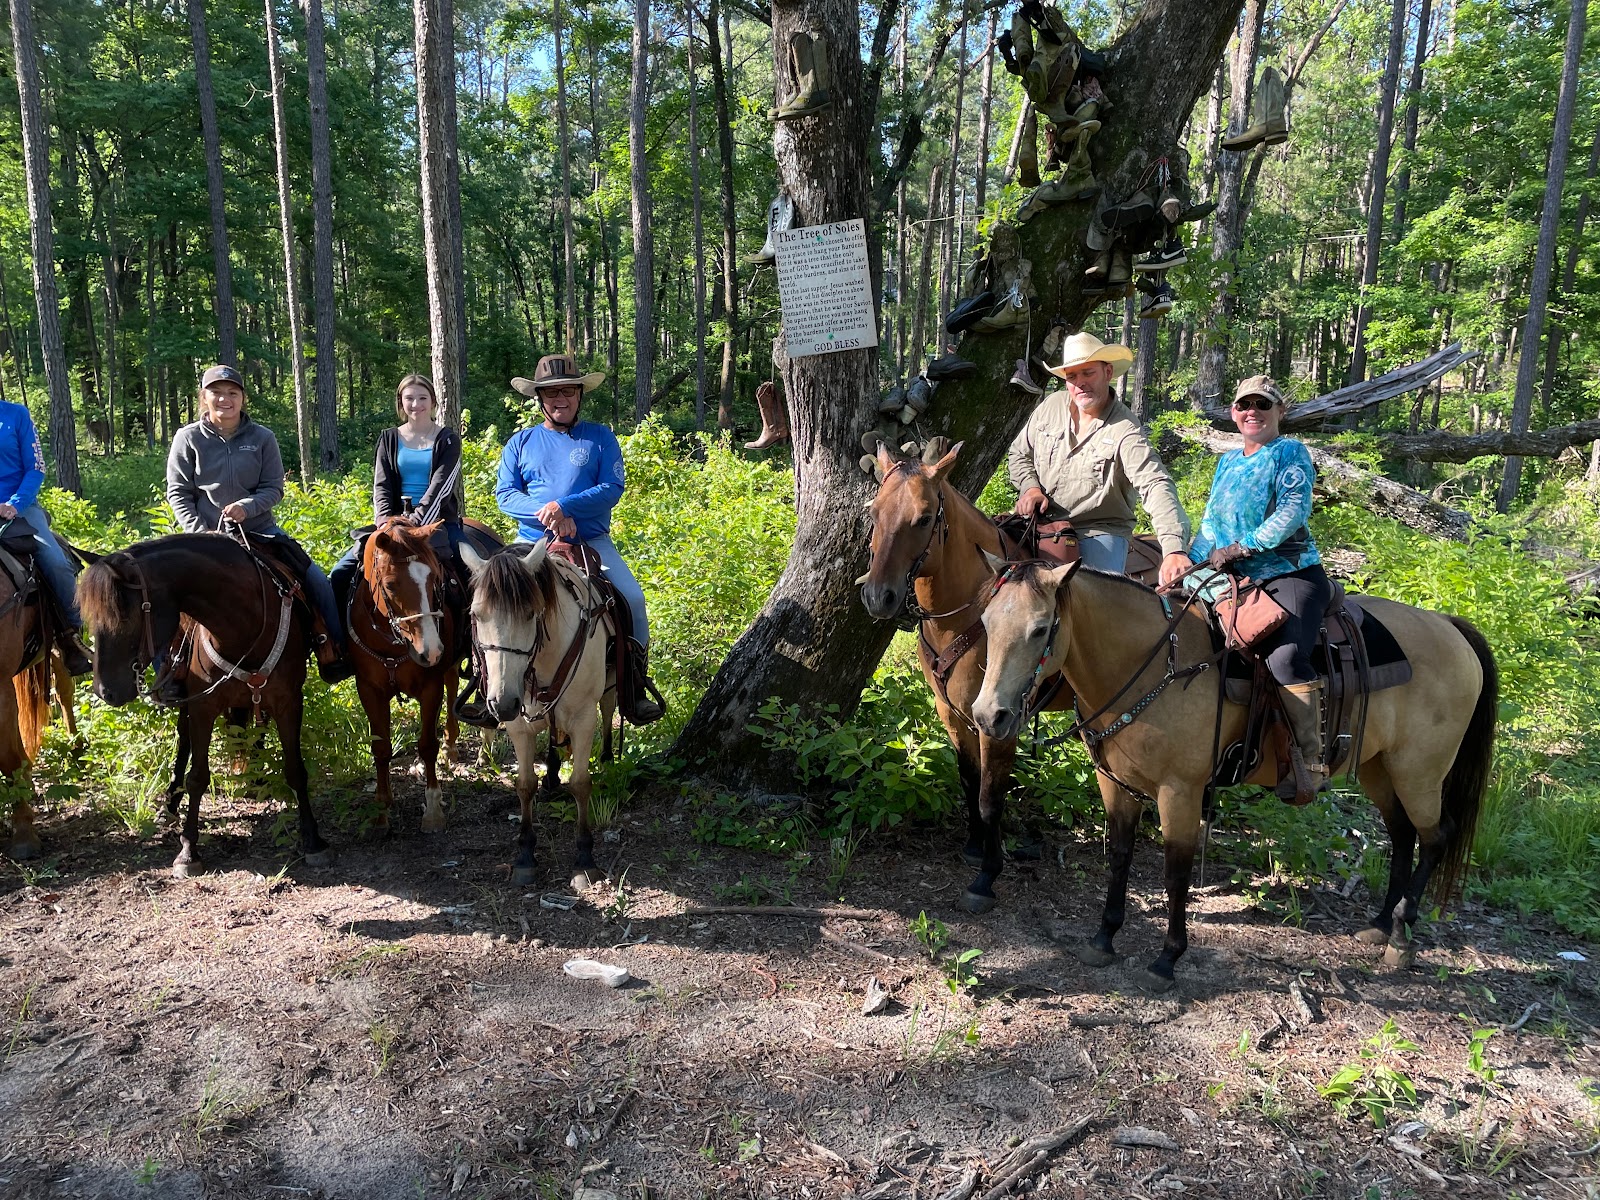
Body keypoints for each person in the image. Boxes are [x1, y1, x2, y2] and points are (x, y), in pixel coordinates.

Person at [483, 354, 663, 724]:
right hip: (532, 544)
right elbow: (505, 494)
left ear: (580, 394)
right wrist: (546, 513)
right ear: (540, 398)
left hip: (591, 542)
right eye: (551, 393)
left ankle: (634, 687)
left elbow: (612, 488)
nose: (559, 398)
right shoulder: (520, 442)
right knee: (490, 603)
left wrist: (564, 507)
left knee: (633, 599)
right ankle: (485, 686)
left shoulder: (600, 437)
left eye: (567, 390)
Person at [1188, 374, 1332, 803]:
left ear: (1279, 412)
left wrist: (1243, 546)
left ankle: (1311, 760)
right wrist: (1191, 560)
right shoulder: (1228, 461)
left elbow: (1293, 510)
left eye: (1262, 405)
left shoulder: (1289, 451)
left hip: (1288, 573)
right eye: (1243, 405)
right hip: (1232, 576)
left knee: (1285, 658)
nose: (1252, 412)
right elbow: (1211, 522)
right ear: (1233, 413)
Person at [166, 364, 349, 684]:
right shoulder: (188, 438)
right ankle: (170, 670)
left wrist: (246, 507)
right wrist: (200, 532)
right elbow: (179, 493)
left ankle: (332, 650)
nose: (225, 399)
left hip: (261, 530)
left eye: (232, 393)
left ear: (242, 399)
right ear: (203, 398)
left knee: (316, 580)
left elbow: (273, 488)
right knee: (162, 591)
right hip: (205, 537)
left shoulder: (262, 437)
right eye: (217, 393)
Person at [1007, 331, 1191, 582]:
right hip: (1038, 523)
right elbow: (1019, 453)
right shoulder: (1051, 407)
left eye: (1088, 373)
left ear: (1107, 372)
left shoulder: (1124, 429)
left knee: (1092, 601)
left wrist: (1174, 549)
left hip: (1096, 531)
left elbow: (1155, 483)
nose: (1080, 383)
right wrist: (1029, 488)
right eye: (1072, 376)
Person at [329, 374, 464, 619]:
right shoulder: (389, 438)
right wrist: (384, 520)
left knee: (468, 570)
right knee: (341, 572)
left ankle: (472, 639)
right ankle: (337, 645)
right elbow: (381, 485)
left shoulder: (448, 439)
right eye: (409, 398)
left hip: (436, 521)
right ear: (400, 403)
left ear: (433, 401)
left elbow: (440, 488)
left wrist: (415, 522)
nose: (416, 404)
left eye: (422, 398)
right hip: (393, 523)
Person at [0, 397, 92, 674]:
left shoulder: (16, 415)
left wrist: (14, 504)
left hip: (19, 509)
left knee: (56, 563)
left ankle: (71, 637)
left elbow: (36, 468)